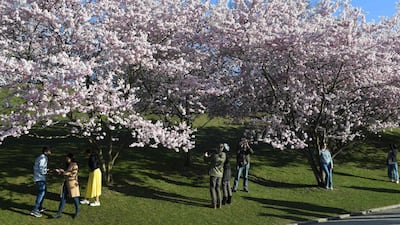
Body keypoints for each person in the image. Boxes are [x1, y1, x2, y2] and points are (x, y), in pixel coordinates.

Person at [53, 153, 80, 219]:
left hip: (72, 184)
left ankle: (77, 212)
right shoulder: (69, 164)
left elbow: (73, 174)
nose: (66, 159)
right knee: (63, 198)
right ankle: (59, 213)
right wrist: (61, 171)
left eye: (67, 158)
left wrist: (63, 172)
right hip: (66, 183)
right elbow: (67, 173)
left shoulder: (75, 165)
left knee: (75, 198)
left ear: (71, 158)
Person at [30, 146, 52, 218]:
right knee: (41, 193)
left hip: (40, 178)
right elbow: (42, 170)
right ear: (45, 152)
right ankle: (35, 210)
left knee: (44, 192)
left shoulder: (42, 158)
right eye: (49, 151)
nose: (50, 152)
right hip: (39, 179)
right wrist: (50, 171)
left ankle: (39, 207)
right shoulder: (42, 159)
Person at [204, 144, 226, 209]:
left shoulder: (214, 156)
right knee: (218, 188)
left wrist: (205, 155)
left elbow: (206, 160)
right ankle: (219, 204)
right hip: (220, 174)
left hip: (214, 173)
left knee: (212, 188)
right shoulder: (224, 155)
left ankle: (214, 204)